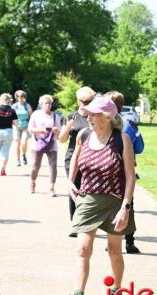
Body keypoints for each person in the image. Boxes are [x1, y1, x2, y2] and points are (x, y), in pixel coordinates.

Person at [57, 97, 136, 295]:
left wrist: (126, 207)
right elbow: (75, 157)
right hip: (88, 199)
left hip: (114, 201)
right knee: (82, 249)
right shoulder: (84, 136)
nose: (89, 118)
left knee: (114, 252)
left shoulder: (122, 139)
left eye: (94, 115)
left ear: (108, 116)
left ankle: (116, 294)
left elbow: (130, 177)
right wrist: (71, 181)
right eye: (88, 115)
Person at [106, 91, 142, 254]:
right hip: (127, 170)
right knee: (128, 205)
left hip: (110, 169)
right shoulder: (131, 124)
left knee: (110, 205)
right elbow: (140, 148)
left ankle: (113, 240)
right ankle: (129, 241)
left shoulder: (106, 123)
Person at [59, 86, 95, 236]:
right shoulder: (72, 116)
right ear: (77, 101)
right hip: (73, 157)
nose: (86, 104)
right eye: (83, 101)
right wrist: (68, 127)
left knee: (90, 191)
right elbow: (61, 139)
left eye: (89, 101)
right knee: (74, 189)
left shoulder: (95, 116)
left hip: (92, 159)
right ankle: (75, 223)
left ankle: (88, 222)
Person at [28, 94, 61, 196]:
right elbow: (30, 129)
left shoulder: (56, 116)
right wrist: (40, 130)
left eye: (50, 103)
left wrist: (55, 131)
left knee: (53, 166)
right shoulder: (35, 114)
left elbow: (59, 132)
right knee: (35, 166)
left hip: (52, 144)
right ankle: (33, 181)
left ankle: (51, 187)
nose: (48, 105)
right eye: (46, 103)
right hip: (38, 143)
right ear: (41, 104)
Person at [12, 90, 33, 166]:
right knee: (17, 142)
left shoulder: (27, 105)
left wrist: (31, 125)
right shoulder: (14, 106)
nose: (20, 97)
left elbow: (32, 116)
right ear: (16, 97)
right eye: (18, 96)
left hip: (26, 126)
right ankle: (18, 160)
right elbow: (10, 116)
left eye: (22, 96)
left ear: (24, 97)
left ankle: (23, 156)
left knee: (24, 142)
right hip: (16, 126)